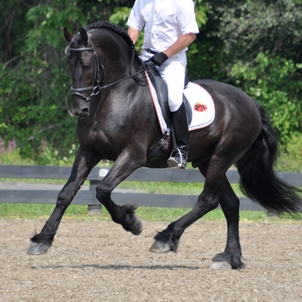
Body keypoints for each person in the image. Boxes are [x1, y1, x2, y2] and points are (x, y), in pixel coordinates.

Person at [127, 0, 199, 169]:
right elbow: (134, 26)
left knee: (173, 99)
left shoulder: (181, 2)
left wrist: (164, 55)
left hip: (172, 61)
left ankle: (181, 150)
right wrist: (128, 50)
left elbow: (189, 35)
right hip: (146, 57)